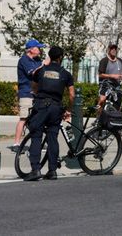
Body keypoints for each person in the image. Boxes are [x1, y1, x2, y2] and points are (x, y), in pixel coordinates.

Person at [24, 46, 75, 181]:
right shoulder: (66, 74)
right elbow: (71, 95)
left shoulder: (41, 71)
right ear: (60, 58)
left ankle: (35, 170)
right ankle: (52, 171)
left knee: (36, 136)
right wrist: (69, 109)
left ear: (50, 57)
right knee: (53, 138)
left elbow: (34, 87)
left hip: (41, 106)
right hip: (56, 108)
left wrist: (38, 95)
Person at [9, 39, 45, 153]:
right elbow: (33, 73)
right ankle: (16, 143)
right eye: (38, 47)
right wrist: (44, 65)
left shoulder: (38, 60)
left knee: (38, 119)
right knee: (24, 118)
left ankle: (38, 143)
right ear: (31, 49)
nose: (39, 50)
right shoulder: (24, 60)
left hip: (37, 93)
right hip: (26, 92)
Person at [97, 44, 122, 115]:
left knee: (118, 104)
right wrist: (112, 76)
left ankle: (114, 119)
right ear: (109, 50)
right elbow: (100, 74)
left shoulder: (120, 61)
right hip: (105, 84)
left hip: (116, 85)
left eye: (115, 49)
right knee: (102, 100)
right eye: (112, 49)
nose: (114, 50)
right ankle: (98, 117)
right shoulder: (104, 61)